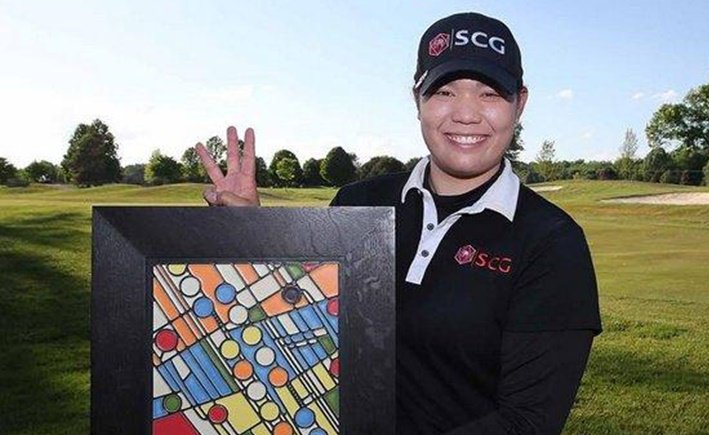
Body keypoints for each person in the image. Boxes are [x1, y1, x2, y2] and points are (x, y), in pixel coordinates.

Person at [197, 12, 602, 435]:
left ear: (519, 104)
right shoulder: (357, 204)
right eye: (444, 91)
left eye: (489, 94)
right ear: (417, 100)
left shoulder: (552, 243)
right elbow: (295, 329)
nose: (465, 114)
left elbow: (527, 422)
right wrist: (250, 238)